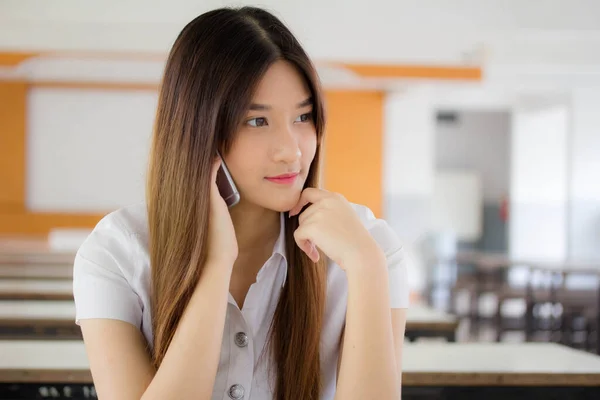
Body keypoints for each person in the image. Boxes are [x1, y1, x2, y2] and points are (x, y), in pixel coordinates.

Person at [73, 6, 408, 400]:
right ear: (199, 132)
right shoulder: (118, 252)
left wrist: (367, 268)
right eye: (257, 121)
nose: (291, 151)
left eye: (303, 117)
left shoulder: (369, 247)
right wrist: (216, 266)